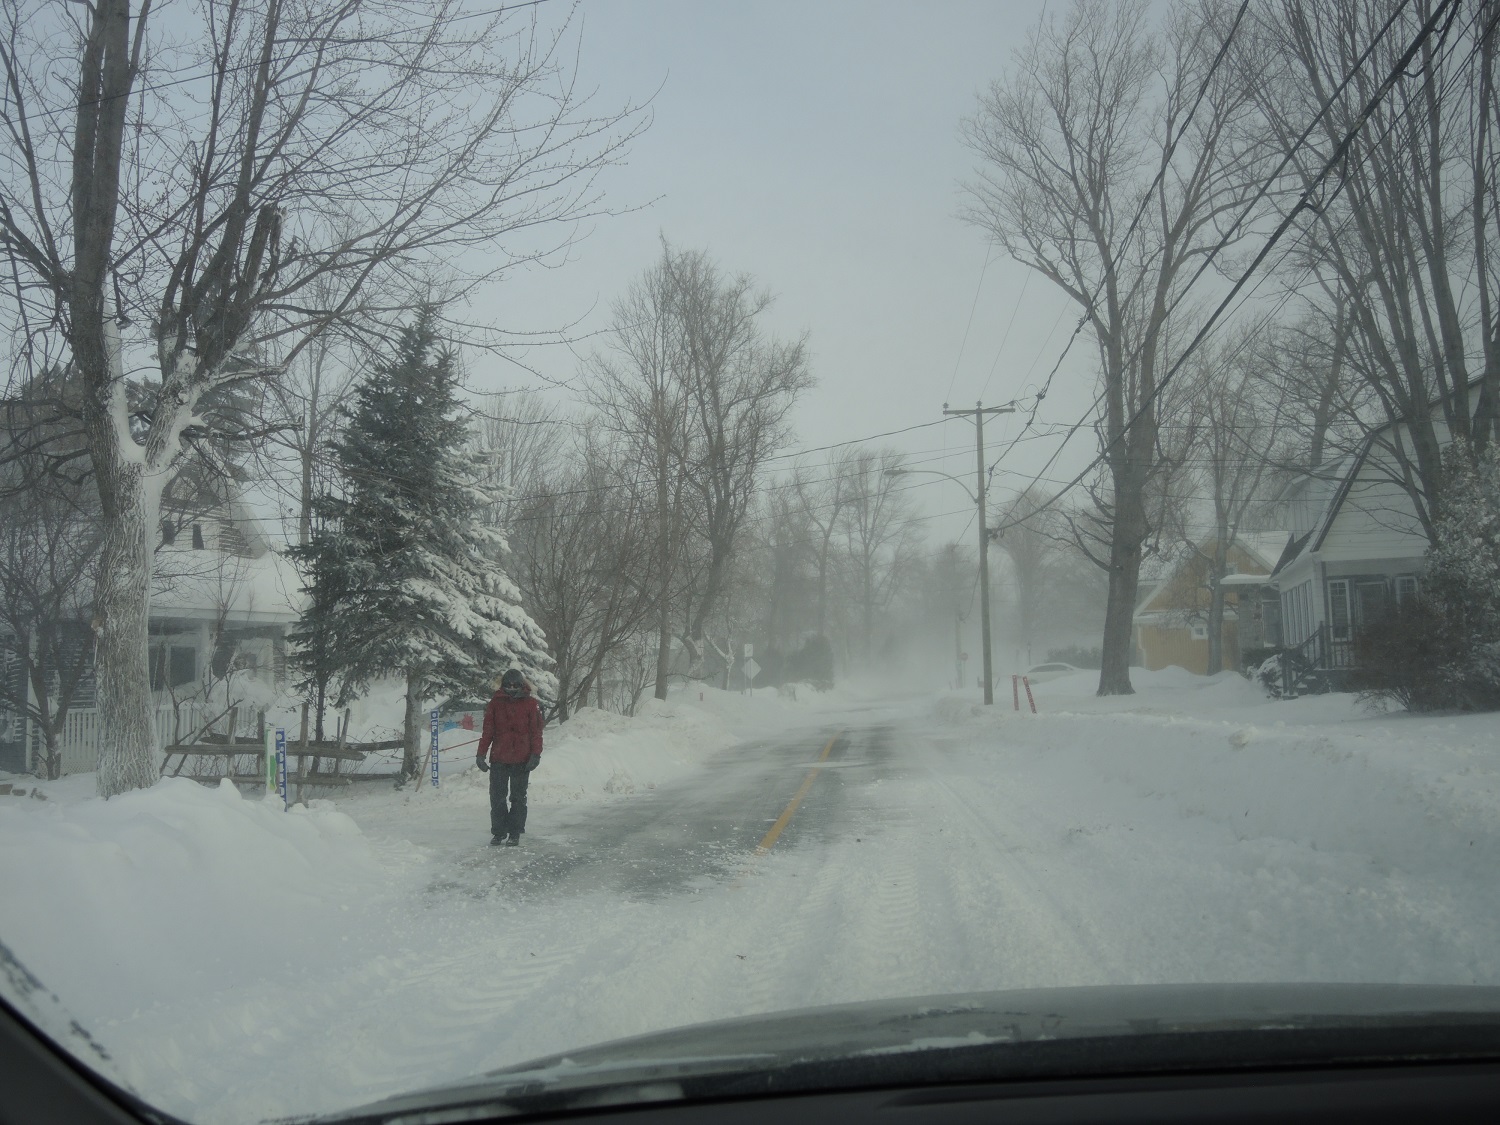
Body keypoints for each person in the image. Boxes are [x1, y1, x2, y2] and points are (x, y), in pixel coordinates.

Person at [475, 668, 543, 846]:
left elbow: (536, 732)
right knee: (497, 797)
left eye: (515, 685)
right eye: (508, 685)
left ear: (522, 686)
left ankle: (514, 832)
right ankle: (499, 832)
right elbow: (488, 731)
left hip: (522, 759)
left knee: (518, 797)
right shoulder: (495, 704)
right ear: (503, 685)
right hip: (499, 758)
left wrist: (536, 754)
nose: (512, 688)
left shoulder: (531, 704)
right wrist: (481, 754)